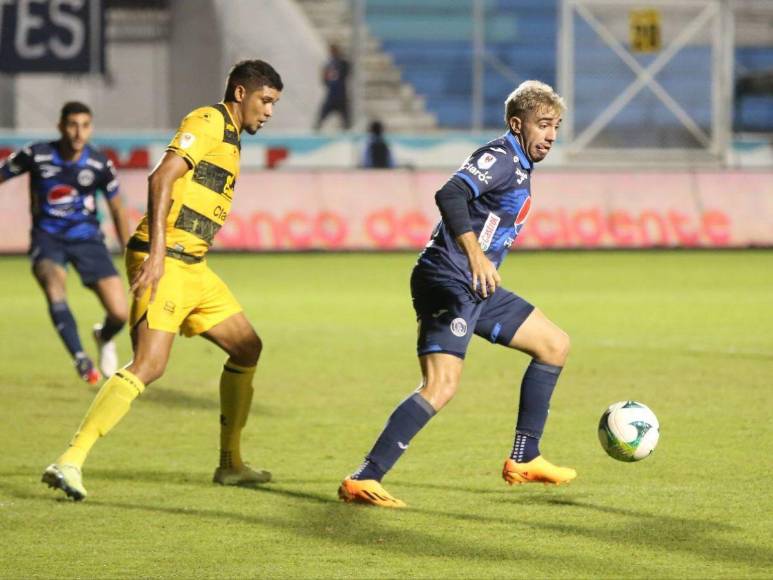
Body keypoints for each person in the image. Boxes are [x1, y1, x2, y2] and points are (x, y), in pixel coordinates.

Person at [41, 60, 284, 501]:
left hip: (193, 266)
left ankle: (230, 464)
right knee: (149, 365)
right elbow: (161, 177)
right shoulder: (207, 121)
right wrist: (156, 254)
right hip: (166, 259)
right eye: (265, 101)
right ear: (241, 93)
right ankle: (70, 460)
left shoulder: (231, 137)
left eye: (274, 104)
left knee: (247, 347)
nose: (269, 112)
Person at [338, 80, 576, 508]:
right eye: (543, 124)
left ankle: (525, 457)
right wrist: (476, 256)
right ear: (516, 124)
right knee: (441, 385)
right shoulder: (499, 157)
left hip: (477, 286)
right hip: (447, 278)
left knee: (554, 345)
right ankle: (364, 477)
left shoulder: (520, 165)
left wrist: (479, 265)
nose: (551, 134)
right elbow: (449, 193)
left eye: (555, 126)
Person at [0, 102, 129, 385]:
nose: (78, 133)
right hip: (47, 239)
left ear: (91, 128)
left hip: (88, 240)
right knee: (54, 288)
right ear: (60, 126)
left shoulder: (99, 164)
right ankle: (80, 357)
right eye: (72, 125)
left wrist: (129, 252)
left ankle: (103, 336)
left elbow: (118, 209)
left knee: (120, 313)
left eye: (85, 126)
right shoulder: (37, 154)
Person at [315, 43, 351, 130]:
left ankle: (347, 128)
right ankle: (317, 128)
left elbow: (347, 70)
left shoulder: (342, 63)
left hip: (340, 94)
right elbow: (324, 78)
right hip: (332, 94)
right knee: (322, 115)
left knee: (346, 118)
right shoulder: (329, 64)